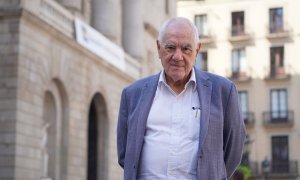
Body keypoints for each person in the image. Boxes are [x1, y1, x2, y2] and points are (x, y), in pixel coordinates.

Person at [117, 17, 246, 180]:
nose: (177, 56)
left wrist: (211, 173)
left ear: (197, 51)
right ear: (159, 48)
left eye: (186, 49)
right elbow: (125, 155)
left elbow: (233, 151)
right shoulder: (132, 94)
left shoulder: (223, 92)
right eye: (170, 47)